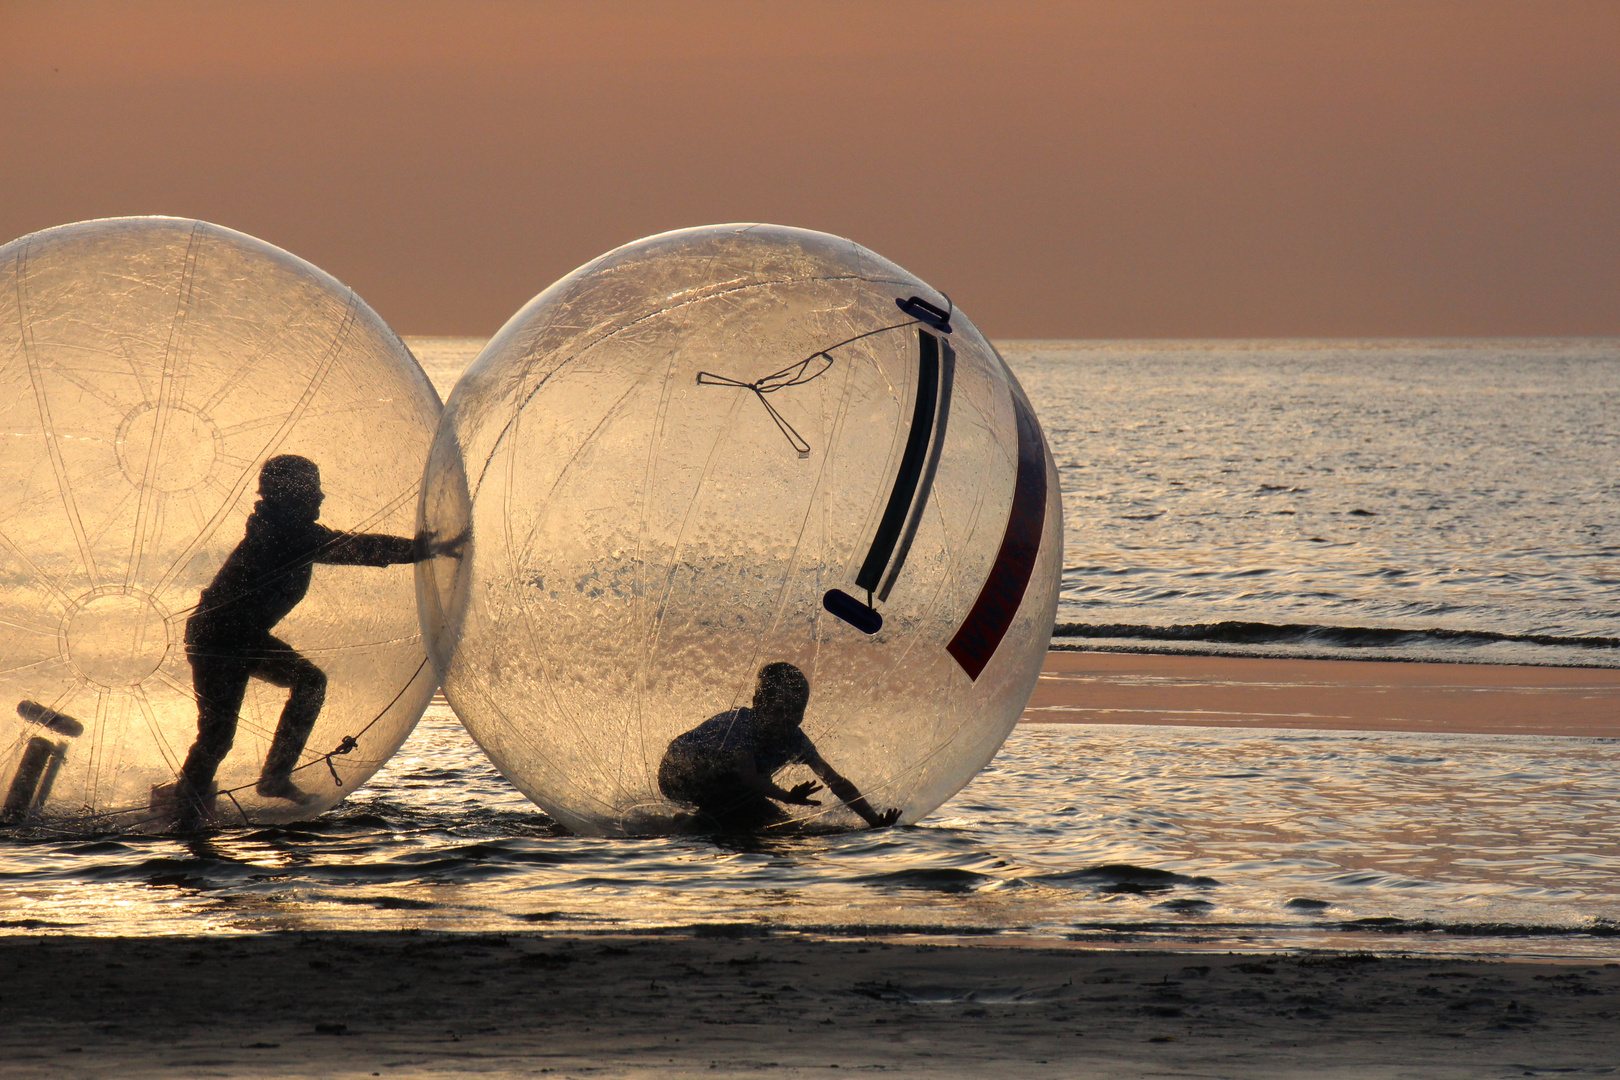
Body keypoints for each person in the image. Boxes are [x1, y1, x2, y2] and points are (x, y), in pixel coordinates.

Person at [172, 455, 462, 829]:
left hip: (243, 637)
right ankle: (186, 808)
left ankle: (271, 778)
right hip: (218, 639)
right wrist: (419, 550)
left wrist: (419, 550)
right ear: (290, 495)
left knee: (308, 683)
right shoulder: (284, 534)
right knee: (218, 733)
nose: (321, 498)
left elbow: (344, 546)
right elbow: (355, 548)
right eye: (313, 491)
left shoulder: (285, 529)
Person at [658, 661, 900, 833]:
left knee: (787, 829)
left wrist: (873, 820)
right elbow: (749, 778)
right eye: (779, 711)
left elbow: (836, 782)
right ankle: (686, 825)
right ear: (757, 704)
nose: (788, 719)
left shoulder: (795, 738)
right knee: (734, 807)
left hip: (731, 786)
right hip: (680, 774)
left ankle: (701, 820)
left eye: (796, 712)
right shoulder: (740, 726)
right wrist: (788, 797)